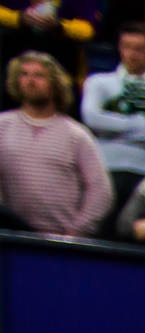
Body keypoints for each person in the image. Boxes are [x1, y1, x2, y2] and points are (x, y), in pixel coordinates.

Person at [79, 22, 145, 221]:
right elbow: (92, 119)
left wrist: (111, 127)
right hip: (104, 167)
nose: (131, 54)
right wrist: (141, 123)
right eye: (126, 47)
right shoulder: (98, 83)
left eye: (139, 49)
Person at [0, 51, 110, 235]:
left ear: (55, 83)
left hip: (59, 240)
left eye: (39, 75)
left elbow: (100, 191)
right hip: (10, 237)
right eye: (24, 74)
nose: (30, 81)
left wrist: (76, 231)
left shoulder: (76, 135)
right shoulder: (2, 126)